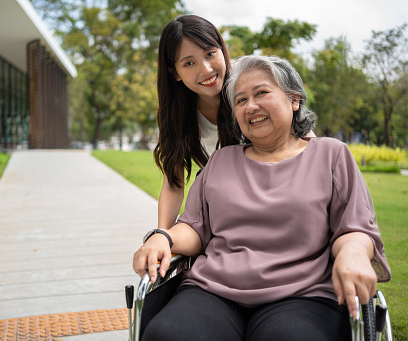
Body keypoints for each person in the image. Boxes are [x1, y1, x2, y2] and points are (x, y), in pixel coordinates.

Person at [134, 55, 391, 341]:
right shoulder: (220, 161)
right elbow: (194, 227)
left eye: (261, 93)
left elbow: (353, 227)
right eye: (241, 100)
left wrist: (354, 253)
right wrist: (163, 237)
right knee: (168, 335)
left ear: (294, 99)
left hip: (302, 293)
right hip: (213, 290)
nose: (250, 106)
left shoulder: (331, 155)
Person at [153, 14, 239, 230]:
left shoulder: (247, 85)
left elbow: (300, 137)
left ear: (222, 49)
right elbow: (174, 185)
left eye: (210, 53)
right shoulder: (177, 113)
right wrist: (162, 234)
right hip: (226, 212)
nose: (206, 70)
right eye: (189, 63)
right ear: (175, 73)